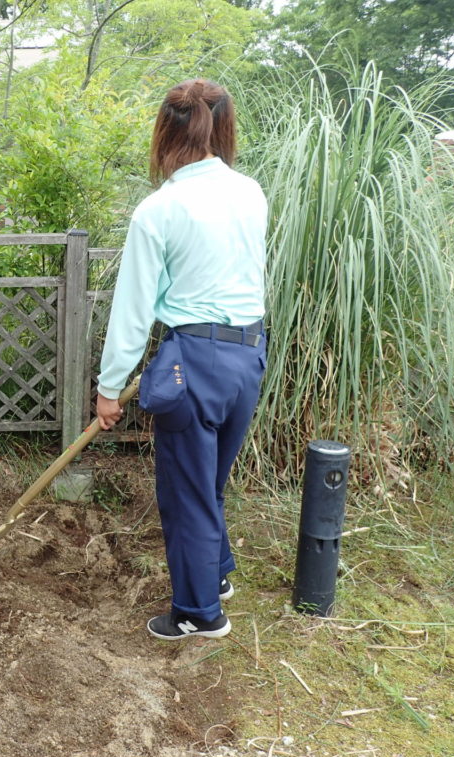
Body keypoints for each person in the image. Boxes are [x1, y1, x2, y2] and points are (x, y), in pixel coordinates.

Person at [95, 79, 267, 641]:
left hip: (194, 361)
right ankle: (214, 575)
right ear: (224, 126)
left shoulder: (160, 209)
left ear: (165, 130)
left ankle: (198, 614)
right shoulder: (251, 193)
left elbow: (133, 309)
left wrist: (108, 388)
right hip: (248, 355)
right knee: (208, 483)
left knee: (185, 491)